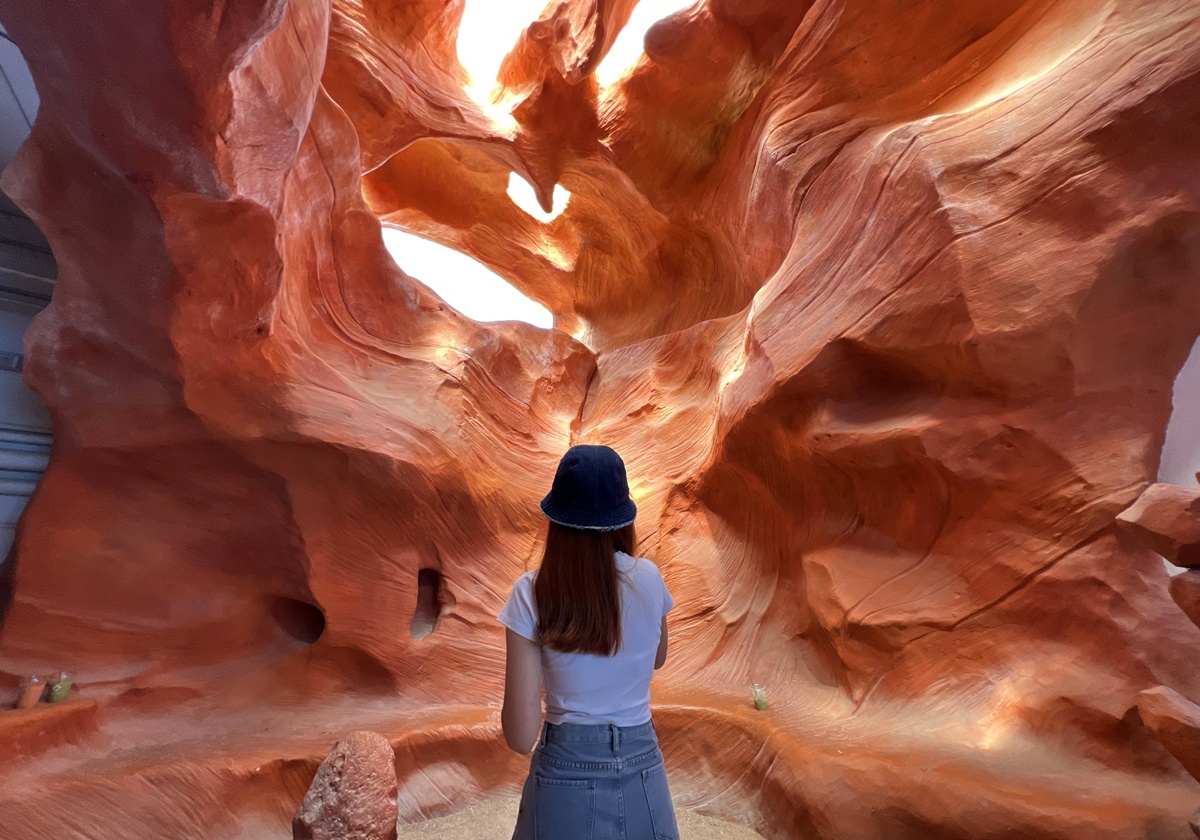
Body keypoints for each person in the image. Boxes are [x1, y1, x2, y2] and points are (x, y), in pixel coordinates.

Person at [499, 444, 678, 840]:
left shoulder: (532, 593)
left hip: (567, 771)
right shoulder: (649, 577)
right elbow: (659, 657)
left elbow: (520, 736)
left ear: (556, 519)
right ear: (623, 518)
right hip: (643, 765)